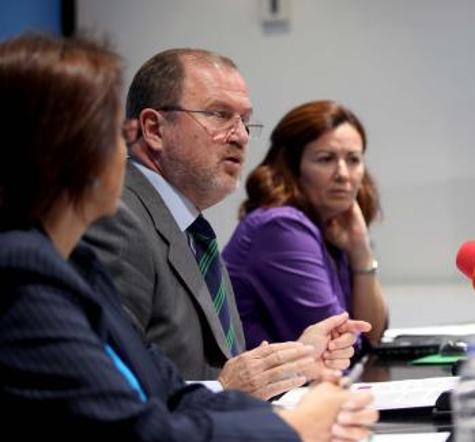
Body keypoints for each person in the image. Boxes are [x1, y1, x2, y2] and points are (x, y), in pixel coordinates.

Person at [0, 33, 377, 442]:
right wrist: (295, 429)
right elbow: (136, 440)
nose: (124, 142)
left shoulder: (79, 263)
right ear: (53, 149)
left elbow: (169, 395)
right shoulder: (22, 272)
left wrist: (291, 388)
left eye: (244, 121)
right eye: (105, 127)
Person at [84, 50, 368, 400]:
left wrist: (297, 359)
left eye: (245, 120)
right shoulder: (118, 220)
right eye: (219, 115)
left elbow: (224, 368)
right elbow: (105, 392)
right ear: (154, 129)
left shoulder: (192, 228)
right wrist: (224, 389)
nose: (241, 136)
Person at [223, 101, 388, 350]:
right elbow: (342, 345)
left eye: (353, 160)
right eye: (326, 159)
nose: (343, 173)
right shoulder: (280, 227)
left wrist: (361, 252)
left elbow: (372, 334)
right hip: (267, 389)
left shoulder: (331, 225)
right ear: (292, 166)